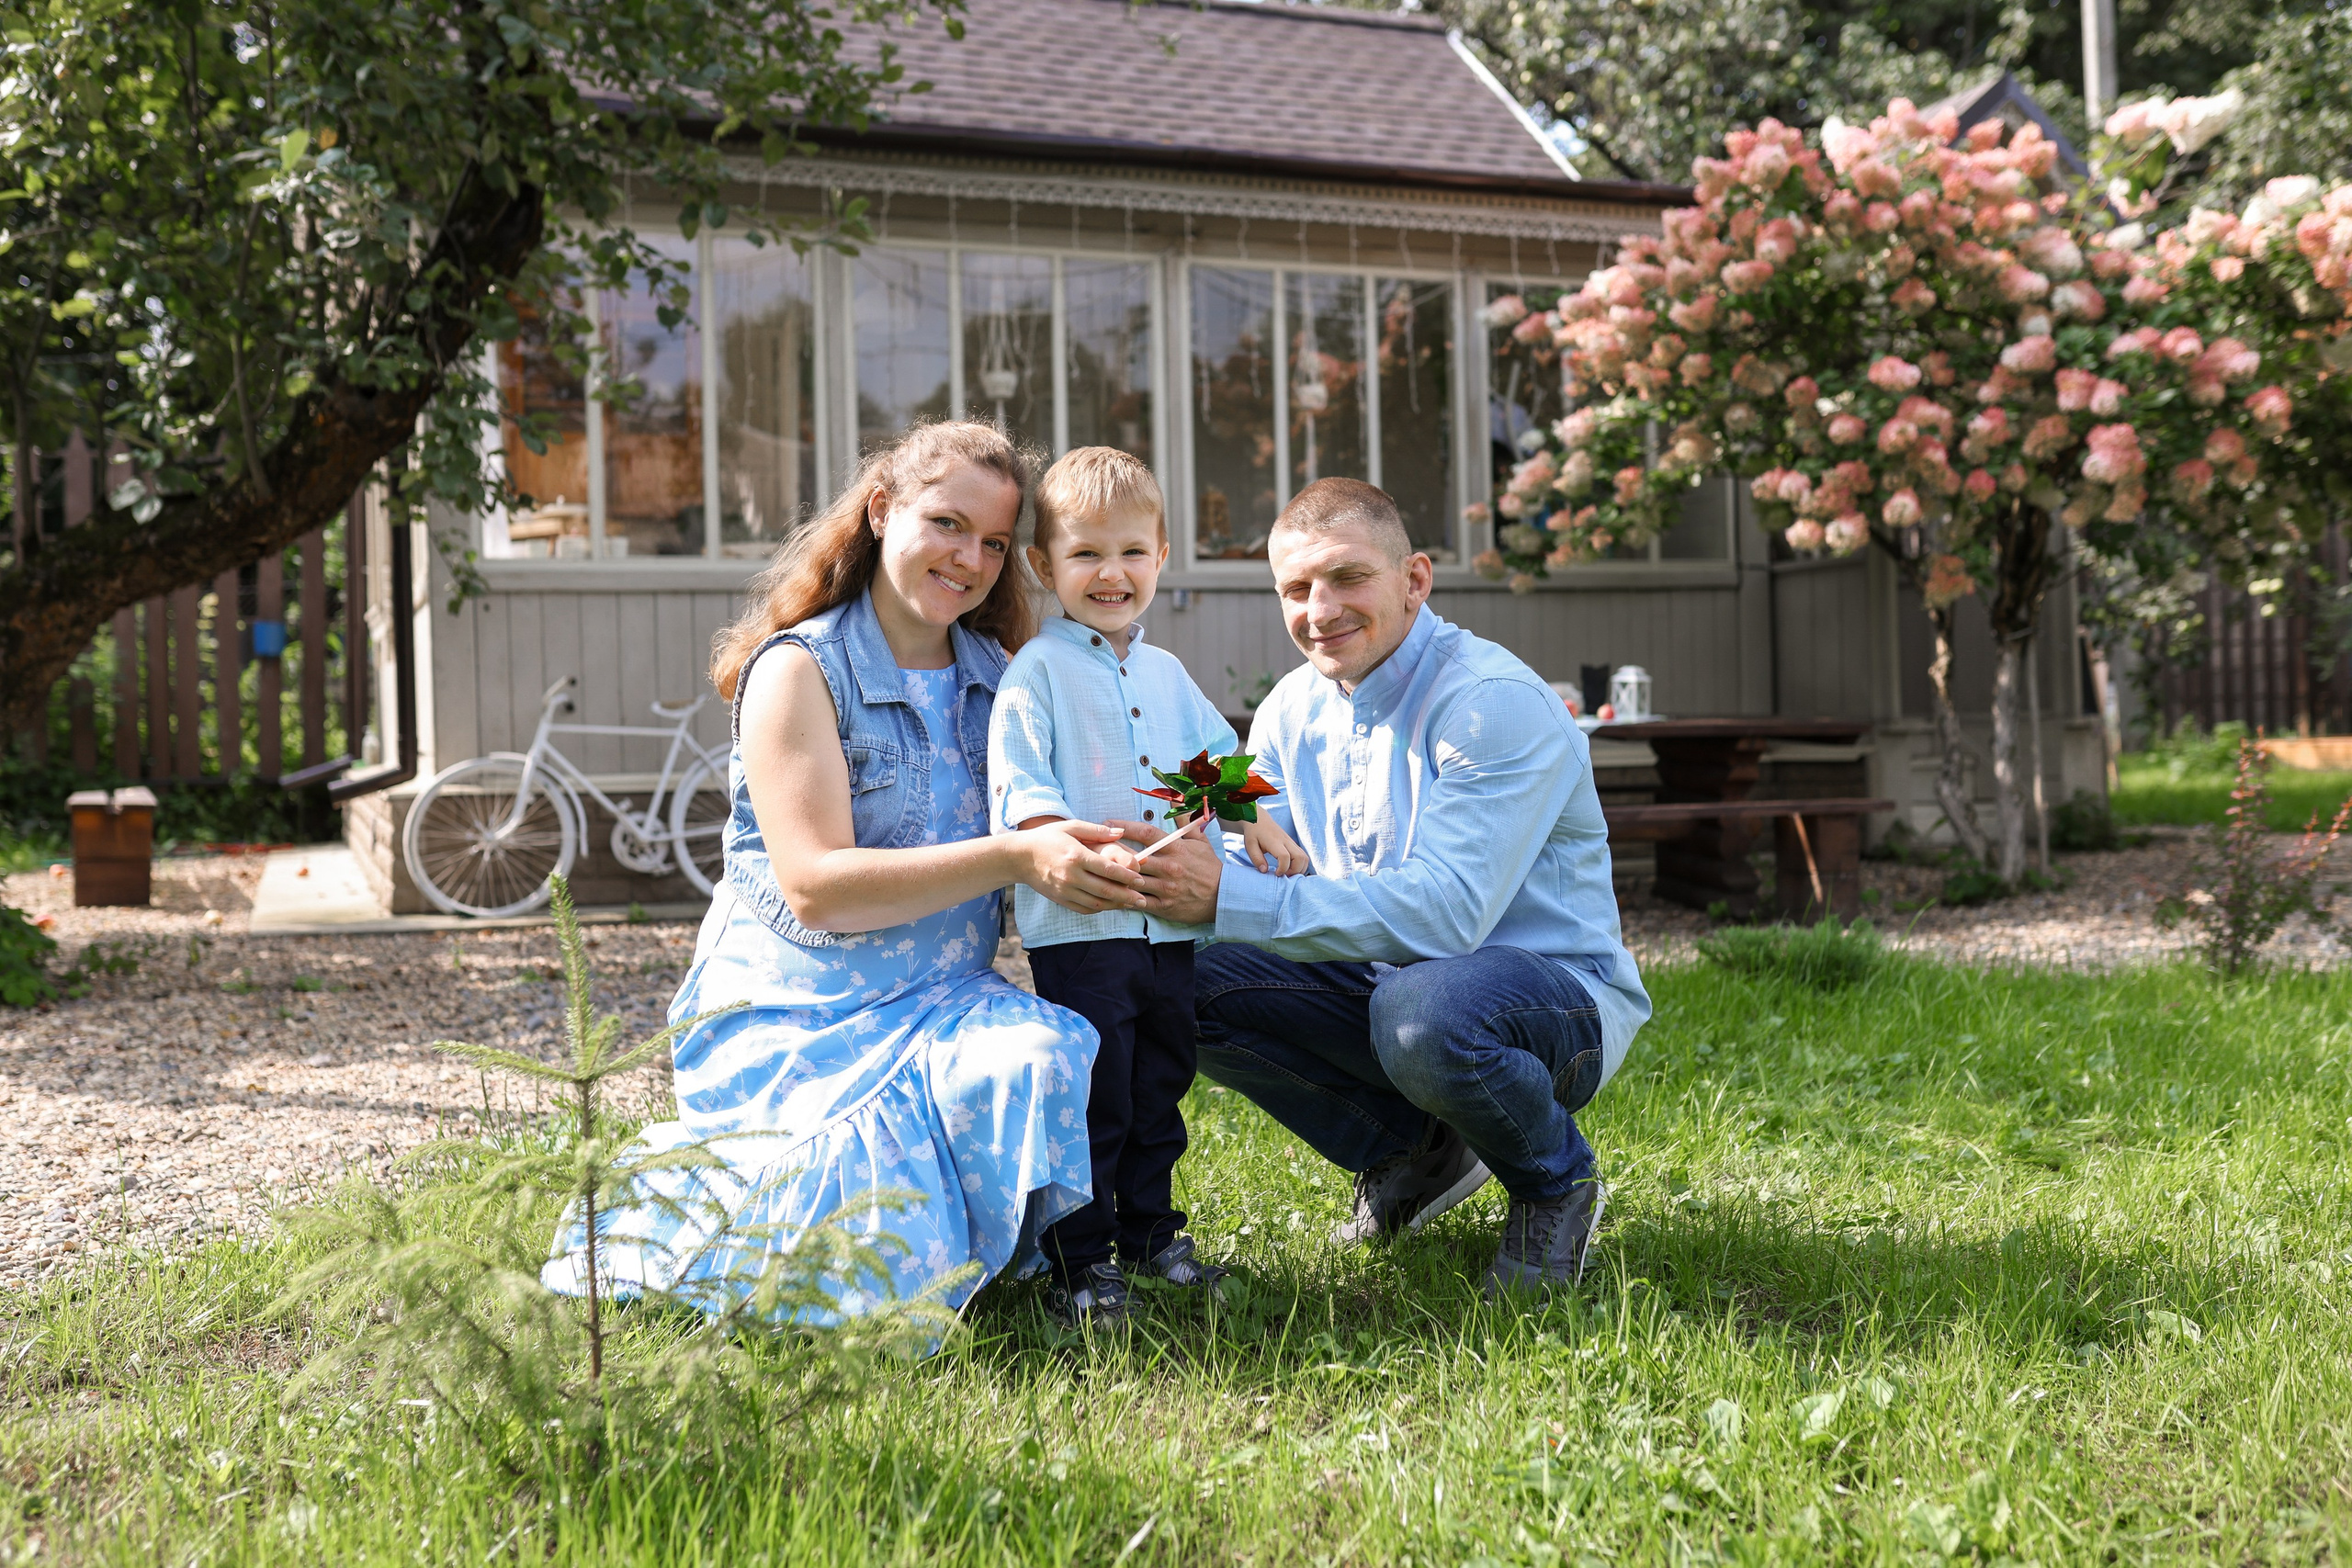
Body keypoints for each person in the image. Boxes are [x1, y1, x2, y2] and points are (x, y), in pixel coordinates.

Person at [543, 421, 1149, 1327]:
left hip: (944, 996)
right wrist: (1019, 855)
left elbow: (1078, 797)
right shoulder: (799, 671)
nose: (970, 558)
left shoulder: (1006, 677)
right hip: (798, 1011)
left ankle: (1026, 1264)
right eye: (947, 523)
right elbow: (814, 885)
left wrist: (1163, 834)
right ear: (879, 510)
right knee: (827, 1237)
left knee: (1042, 1052)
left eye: (992, 543)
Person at [1118, 478, 1650, 1297]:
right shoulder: (1290, 707)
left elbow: (1446, 914)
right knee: (1176, 982)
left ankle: (1554, 1182)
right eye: (1296, 588)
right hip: (1385, 985)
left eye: (1347, 577)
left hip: (1550, 998)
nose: (1320, 609)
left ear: (1416, 580)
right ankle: (1417, 1150)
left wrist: (1228, 897)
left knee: (1425, 1014)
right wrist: (1176, 830)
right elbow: (1256, 850)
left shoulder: (1490, 703)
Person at [988, 447, 1310, 1325]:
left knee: (1159, 1086)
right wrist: (1074, 845)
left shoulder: (1165, 674)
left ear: (1161, 556)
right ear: (1044, 566)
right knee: (1099, 1093)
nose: (1111, 573)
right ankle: (1080, 1261)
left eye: (1132, 552)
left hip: (1169, 930)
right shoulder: (1036, 675)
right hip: (1083, 929)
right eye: (1086, 554)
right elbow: (1025, 792)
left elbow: (1212, 761)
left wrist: (1254, 821)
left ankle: (1153, 1234)